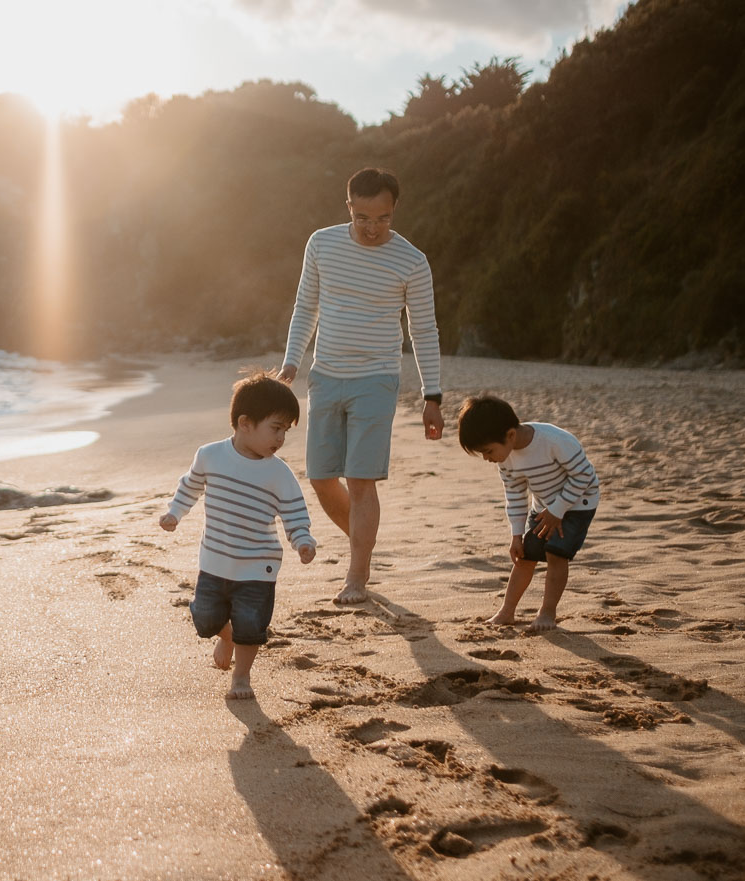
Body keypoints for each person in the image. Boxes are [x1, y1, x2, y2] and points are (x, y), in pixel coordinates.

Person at [278, 167, 442, 605]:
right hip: (326, 375)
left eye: (383, 218)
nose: (373, 228)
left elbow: (424, 331)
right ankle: (364, 540)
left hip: (377, 379)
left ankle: (357, 576)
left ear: (394, 211)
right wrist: (291, 363)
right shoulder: (322, 243)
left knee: (361, 480)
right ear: (348, 206)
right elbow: (305, 306)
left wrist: (433, 395)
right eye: (363, 217)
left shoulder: (412, 261)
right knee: (320, 476)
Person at [160, 372, 317, 700]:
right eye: (276, 428)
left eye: (285, 431)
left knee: (250, 626)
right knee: (204, 618)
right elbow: (190, 485)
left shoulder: (278, 472)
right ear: (245, 423)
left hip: (258, 568)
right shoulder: (210, 455)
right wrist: (175, 513)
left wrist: (302, 539)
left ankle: (242, 678)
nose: (281, 439)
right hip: (214, 562)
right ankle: (226, 636)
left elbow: (294, 511)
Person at [456, 394, 600, 632]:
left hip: (577, 503)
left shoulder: (554, 441)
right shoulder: (506, 459)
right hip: (543, 506)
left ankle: (547, 613)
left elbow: (584, 476)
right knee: (525, 555)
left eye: (488, 451)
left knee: (555, 553)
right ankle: (507, 612)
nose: (486, 458)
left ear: (510, 435)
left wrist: (558, 510)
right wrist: (516, 535)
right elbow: (514, 496)